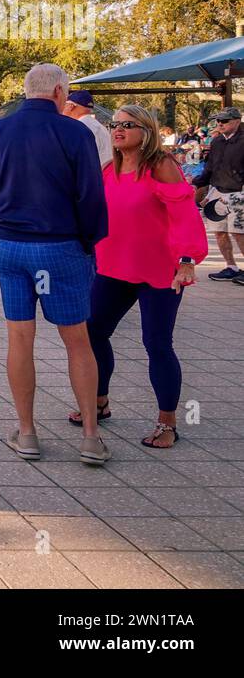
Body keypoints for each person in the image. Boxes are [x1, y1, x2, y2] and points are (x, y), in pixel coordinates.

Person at [0, 63, 111, 466]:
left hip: (10, 244)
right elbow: (91, 195)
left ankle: (27, 432)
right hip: (60, 243)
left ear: (26, 91)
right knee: (77, 339)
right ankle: (90, 437)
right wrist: (87, 240)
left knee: (20, 337)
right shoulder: (75, 132)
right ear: (61, 91)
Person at [73, 105, 207, 449]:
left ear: (145, 130)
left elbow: (184, 213)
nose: (117, 130)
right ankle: (100, 402)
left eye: (126, 125)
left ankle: (168, 422)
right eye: (114, 125)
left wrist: (187, 259)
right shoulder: (108, 169)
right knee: (94, 332)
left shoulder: (160, 165)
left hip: (159, 271)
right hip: (113, 267)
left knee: (157, 343)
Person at [191, 107, 244, 283]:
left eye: (225, 121)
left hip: (239, 192)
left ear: (237, 121)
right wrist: (197, 183)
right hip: (218, 190)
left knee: (239, 232)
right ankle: (231, 267)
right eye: (218, 121)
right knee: (219, 231)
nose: (220, 124)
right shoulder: (217, 141)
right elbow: (210, 167)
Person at [62, 89, 112, 168]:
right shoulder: (100, 127)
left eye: (64, 104)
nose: (62, 108)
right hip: (105, 175)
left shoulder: (78, 128)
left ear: (71, 106)